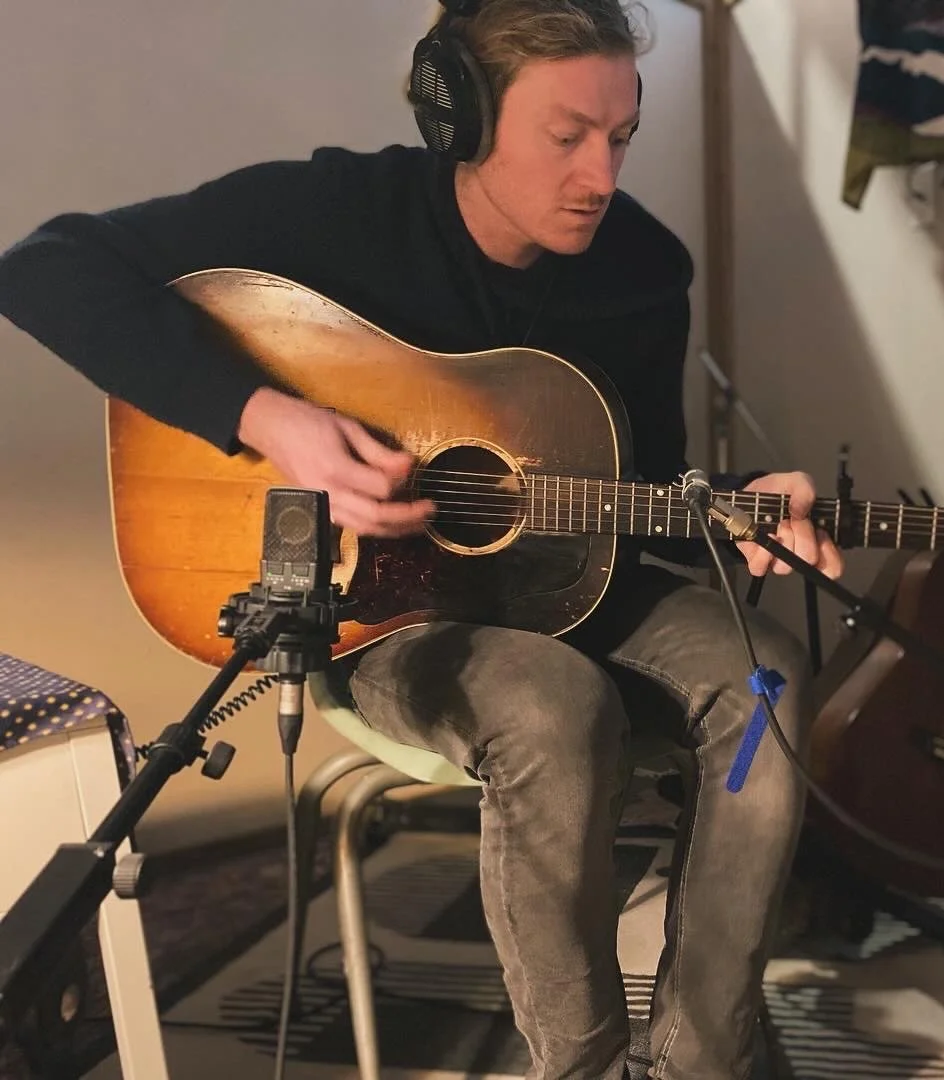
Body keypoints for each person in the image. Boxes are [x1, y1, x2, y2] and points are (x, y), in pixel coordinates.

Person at [0, 1, 844, 1077]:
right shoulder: (342, 213)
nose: (601, 175)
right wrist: (269, 418)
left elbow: (640, 492)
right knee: (553, 704)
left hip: (576, 586)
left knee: (766, 678)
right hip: (384, 614)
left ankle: (702, 1056)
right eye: (567, 136)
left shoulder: (643, 268)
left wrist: (734, 511)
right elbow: (42, 266)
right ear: (464, 119)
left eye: (622, 135)